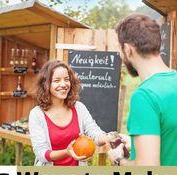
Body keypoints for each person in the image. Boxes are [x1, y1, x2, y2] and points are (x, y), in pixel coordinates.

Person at [108, 14, 177, 166]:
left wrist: (118, 160)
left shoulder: (144, 96)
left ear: (128, 49)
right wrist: (138, 146)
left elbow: (147, 170)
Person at [29, 59, 108, 166]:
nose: (63, 84)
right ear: (46, 84)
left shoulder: (79, 108)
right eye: (57, 80)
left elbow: (93, 131)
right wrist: (67, 152)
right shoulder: (37, 114)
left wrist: (108, 138)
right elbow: (41, 153)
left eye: (66, 79)